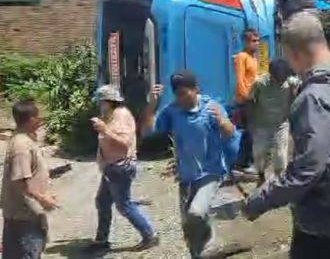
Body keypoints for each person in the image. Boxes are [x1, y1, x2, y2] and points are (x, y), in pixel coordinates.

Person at [242, 12, 330, 259]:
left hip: (326, 222)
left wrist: (258, 201)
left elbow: (306, 171)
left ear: (294, 53)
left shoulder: (315, 97)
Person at [140, 70, 241, 258]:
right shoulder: (172, 111)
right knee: (189, 228)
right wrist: (152, 104)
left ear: (196, 89)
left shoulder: (211, 108)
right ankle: (203, 252)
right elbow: (146, 131)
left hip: (211, 173)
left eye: (184, 93)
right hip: (186, 177)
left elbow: (231, 134)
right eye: (177, 94)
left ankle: (210, 245)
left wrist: (222, 121)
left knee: (196, 213)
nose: (181, 98)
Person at [85, 85, 157, 253]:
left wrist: (105, 129)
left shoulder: (121, 115)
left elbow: (124, 142)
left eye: (101, 102)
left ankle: (150, 235)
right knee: (102, 202)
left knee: (124, 205)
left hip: (120, 167)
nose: (99, 105)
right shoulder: (110, 115)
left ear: (108, 102)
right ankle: (102, 239)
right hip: (111, 168)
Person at [1, 99, 58, 259]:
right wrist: (42, 198)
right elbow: (19, 181)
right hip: (24, 216)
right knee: (28, 253)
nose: (42, 121)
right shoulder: (22, 146)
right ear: (32, 119)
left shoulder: (25, 140)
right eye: (40, 117)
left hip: (23, 214)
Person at [248, 59, 300, 186]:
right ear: (271, 75)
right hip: (261, 125)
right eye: (279, 78)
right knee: (259, 154)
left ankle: (278, 182)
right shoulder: (260, 83)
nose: (281, 81)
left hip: (281, 125)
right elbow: (249, 101)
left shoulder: (291, 83)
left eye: (284, 78)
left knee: (280, 156)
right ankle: (261, 175)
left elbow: (305, 88)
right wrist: (249, 122)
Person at [234, 28, 260, 174]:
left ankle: (246, 161)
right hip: (246, 100)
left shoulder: (254, 58)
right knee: (249, 132)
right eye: (253, 41)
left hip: (254, 98)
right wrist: (247, 97)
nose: (256, 44)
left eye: (257, 41)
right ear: (245, 42)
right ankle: (244, 163)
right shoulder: (242, 57)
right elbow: (240, 81)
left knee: (252, 132)